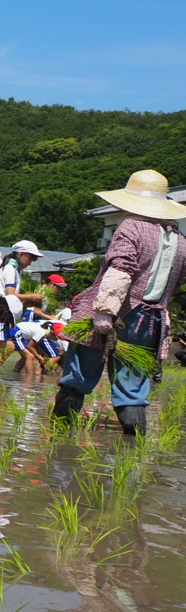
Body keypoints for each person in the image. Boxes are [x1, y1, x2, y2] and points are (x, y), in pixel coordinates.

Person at [53, 170, 186, 434]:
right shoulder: (182, 241)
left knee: (78, 376)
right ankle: (132, 452)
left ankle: (59, 443)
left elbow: (120, 270)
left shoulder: (132, 227)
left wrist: (104, 311)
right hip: (149, 321)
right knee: (132, 388)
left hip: (115, 312)